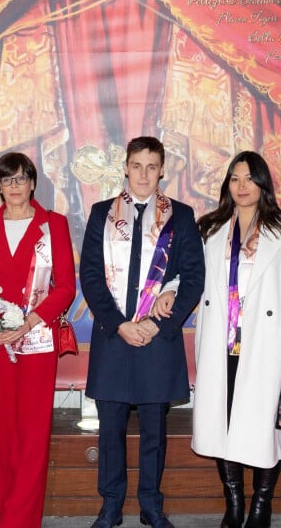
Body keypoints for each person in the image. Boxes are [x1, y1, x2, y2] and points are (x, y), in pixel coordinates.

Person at [80, 136, 205, 528]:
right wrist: (120, 325)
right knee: (110, 431)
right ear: (126, 167)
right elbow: (90, 276)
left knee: (154, 430)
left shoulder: (181, 216)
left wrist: (154, 323)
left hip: (157, 339)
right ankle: (111, 505)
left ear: (163, 170)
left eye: (153, 167)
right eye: (137, 166)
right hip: (114, 338)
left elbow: (194, 278)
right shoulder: (102, 213)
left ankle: (151, 504)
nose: (144, 174)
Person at [191, 151, 281, 528]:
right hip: (220, 342)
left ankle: (261, 505)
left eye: (249, 178)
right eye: (234, 179)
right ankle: (234, 504)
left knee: (263, 429)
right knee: (222, 423)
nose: (241, 187)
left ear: (262, 183)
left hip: (266, 345)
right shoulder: (210, 229)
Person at [0, 152, 75, 528]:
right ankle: (11, 511)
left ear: (32, 183)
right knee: (5, 430)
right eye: (7, 180)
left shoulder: (53, 225)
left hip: (37, 340)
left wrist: (26, 325)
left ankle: (15, 521)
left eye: (22, 179)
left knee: (34, 432)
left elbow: (66, 288)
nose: (15, 187)